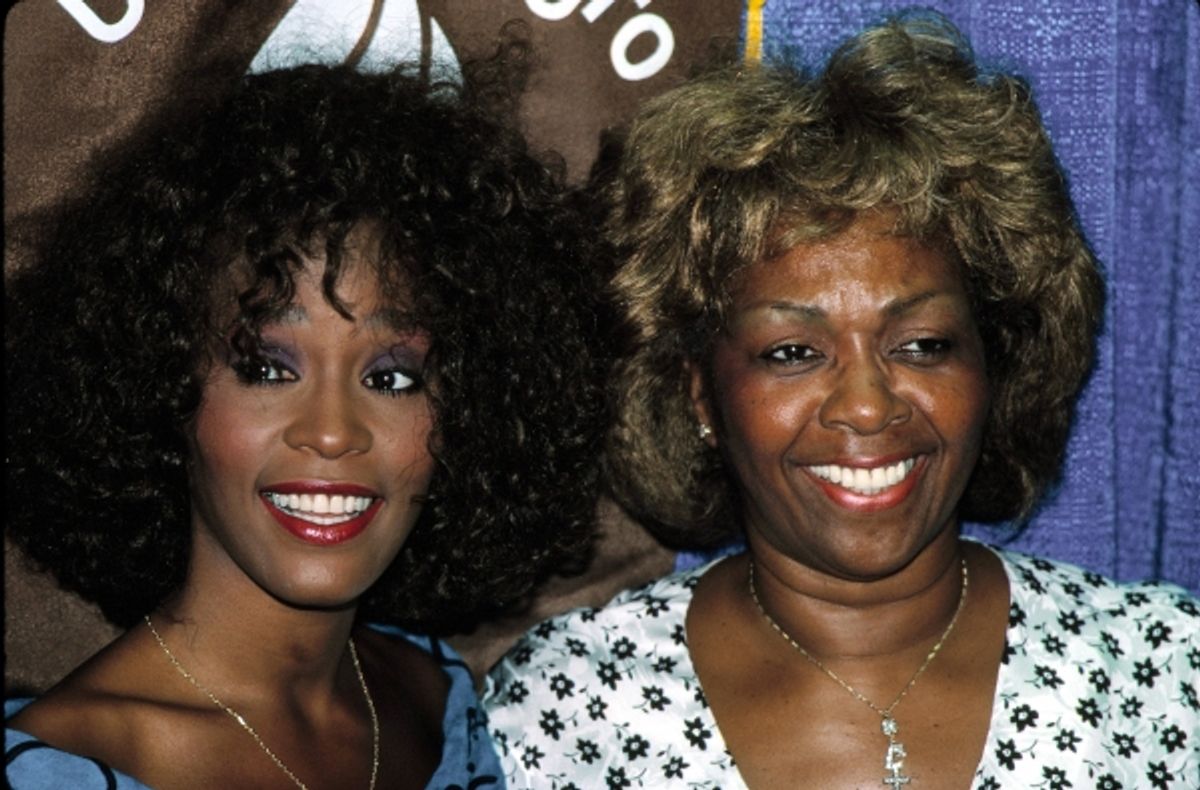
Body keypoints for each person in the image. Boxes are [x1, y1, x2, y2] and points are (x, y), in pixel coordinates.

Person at [484, 12, 1200, 789]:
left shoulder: (1164, 671)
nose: (866, 406)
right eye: (792, 353)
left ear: (993, 365)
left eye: (921, 344)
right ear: (697, 392)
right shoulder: (563, 711)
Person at [5, 61, 607, 788]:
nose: (330, 432)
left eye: (391, 378)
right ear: (156, 382)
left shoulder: (436, 695)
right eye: (266, 369)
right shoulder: (61, 767)